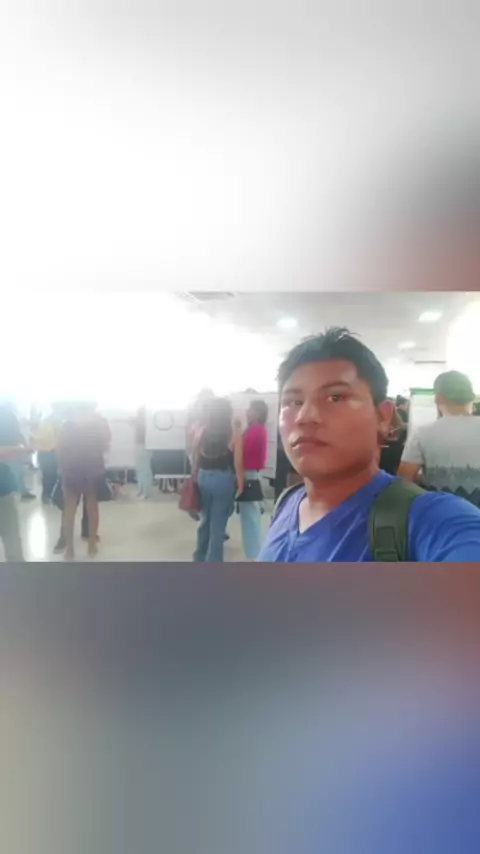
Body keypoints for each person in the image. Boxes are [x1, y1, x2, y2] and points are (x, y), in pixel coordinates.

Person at [258, 327, 480, 562]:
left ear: (383, 416)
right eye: (293, 401)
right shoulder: (286, 503)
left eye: (335, 397)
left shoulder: (434, 522)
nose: (305, 416)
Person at [398, 370, 480, 507]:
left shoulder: (422, 433)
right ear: (472, 396)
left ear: (438, 398)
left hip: (442, 513)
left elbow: (404, 482)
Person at [192, 396, 244, 562]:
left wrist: (194, 477)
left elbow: (195, 456)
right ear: (228, 413)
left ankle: (199, 557)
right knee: (218, 523)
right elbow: (238, 462)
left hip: (203, 477)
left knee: (205, 518)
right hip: (223, 479)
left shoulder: (203, 431)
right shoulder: (233, 433)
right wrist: (241, 484)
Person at [57, 402, 111, 560]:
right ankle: (92, 544)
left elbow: (59, 448)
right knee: (92, 507)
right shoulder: (98, 424)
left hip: (71, 468)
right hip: (92, 468)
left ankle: (69, 549)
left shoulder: (67, 424)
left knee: (69, 509)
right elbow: (105, 446)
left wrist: (62, 467)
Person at [237, 399, 268, 560]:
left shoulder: (256, 431)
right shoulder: (254, 429)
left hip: (249, 474)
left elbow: (243, 452)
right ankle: (253, 553)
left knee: (250, 517)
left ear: (257, 413)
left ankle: (254, 555)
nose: (247, 412)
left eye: (250, 409)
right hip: (250, 474)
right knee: (250, 516)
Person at [0, 403, 27, 560]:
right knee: (12, 540)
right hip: (4, 489)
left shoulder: (6, 416)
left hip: (4, 487)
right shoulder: (6, 415)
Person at [35, 406, 62, 504]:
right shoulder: (45, 424)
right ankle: (46, 495)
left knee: (54, 475)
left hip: (54, 452)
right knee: (49, 475)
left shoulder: (58, 423)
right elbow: (40, 438)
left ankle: (51, 495)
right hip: (47, 452)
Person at [133, 405, 152, 500]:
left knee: (144, 470)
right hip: (141, 446)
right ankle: (141, 490)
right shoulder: (144, 422)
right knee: (141, 470)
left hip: (145, 446)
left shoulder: (145, 423)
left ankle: (145, 492)